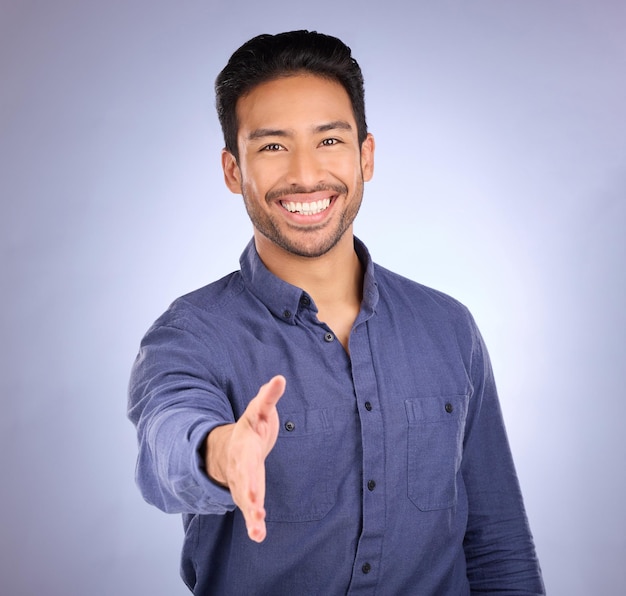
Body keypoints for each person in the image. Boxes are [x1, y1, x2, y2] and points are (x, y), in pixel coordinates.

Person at [128, 30, 545, 595]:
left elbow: (498, 545)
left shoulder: (449, 329)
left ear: (365, 155)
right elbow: (166, 442)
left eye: (329, 141)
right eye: (272, 146)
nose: (305, 174)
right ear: (233, 170)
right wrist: (223, 452)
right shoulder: (191, 335)